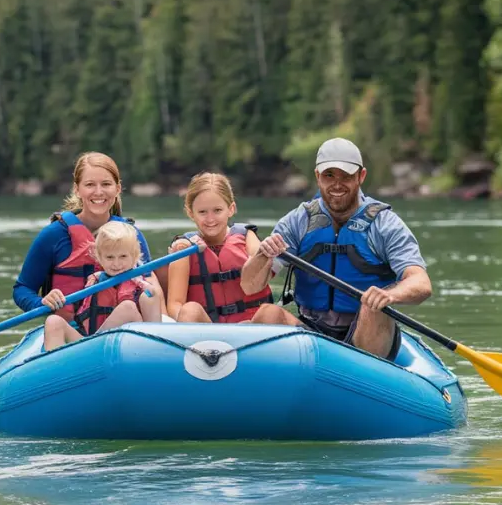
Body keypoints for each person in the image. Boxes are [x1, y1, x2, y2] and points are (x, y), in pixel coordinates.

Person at [240, 137, 432, 360]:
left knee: (372, 307)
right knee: (267, 314)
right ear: (317, 177)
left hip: (367, 333)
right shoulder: (298, 221)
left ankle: (362, 378)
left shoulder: (384, 224)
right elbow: (249, 286)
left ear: (361, 176)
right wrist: (263, 255)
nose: (337, 184)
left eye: (346, 176)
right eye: (329, 175)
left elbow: (421, 283)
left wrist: (389, 295)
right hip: (312, 329)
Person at [12, 152, 165, 325]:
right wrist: (41, 303)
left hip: (125, 330)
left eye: (106, 184)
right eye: (90, 184)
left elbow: (150, 283)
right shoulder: (54, 235)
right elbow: (22, 289)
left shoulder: (131, 235)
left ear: (118, 188)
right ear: (77, 189)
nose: (98, 192)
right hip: (72, 332)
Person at [165, 172, 272, 322]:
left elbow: (262, 270)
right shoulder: (184, 249)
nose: (210, 219)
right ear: (191, 213)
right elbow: (175, 304)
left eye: (217, 210)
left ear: (231, 209)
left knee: (271, 312)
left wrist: (268, 253)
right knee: (189, 310)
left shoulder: (248, 237)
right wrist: (185, 320)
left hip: (250, 327)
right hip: (207, 331)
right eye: (202, 212)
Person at [43, 221, 162, 350]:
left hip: (129, 349)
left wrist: (152, 295)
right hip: (86, 343)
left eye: (123, 256)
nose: (116, 264)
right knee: (53, 321)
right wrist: (52, 299)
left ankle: (94, 345)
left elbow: (154, 334)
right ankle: (55, 365)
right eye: (110, 257)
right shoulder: (94, 281)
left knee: (128, 306)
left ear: (134, 256)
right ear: (99, 257)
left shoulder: (144, 289)